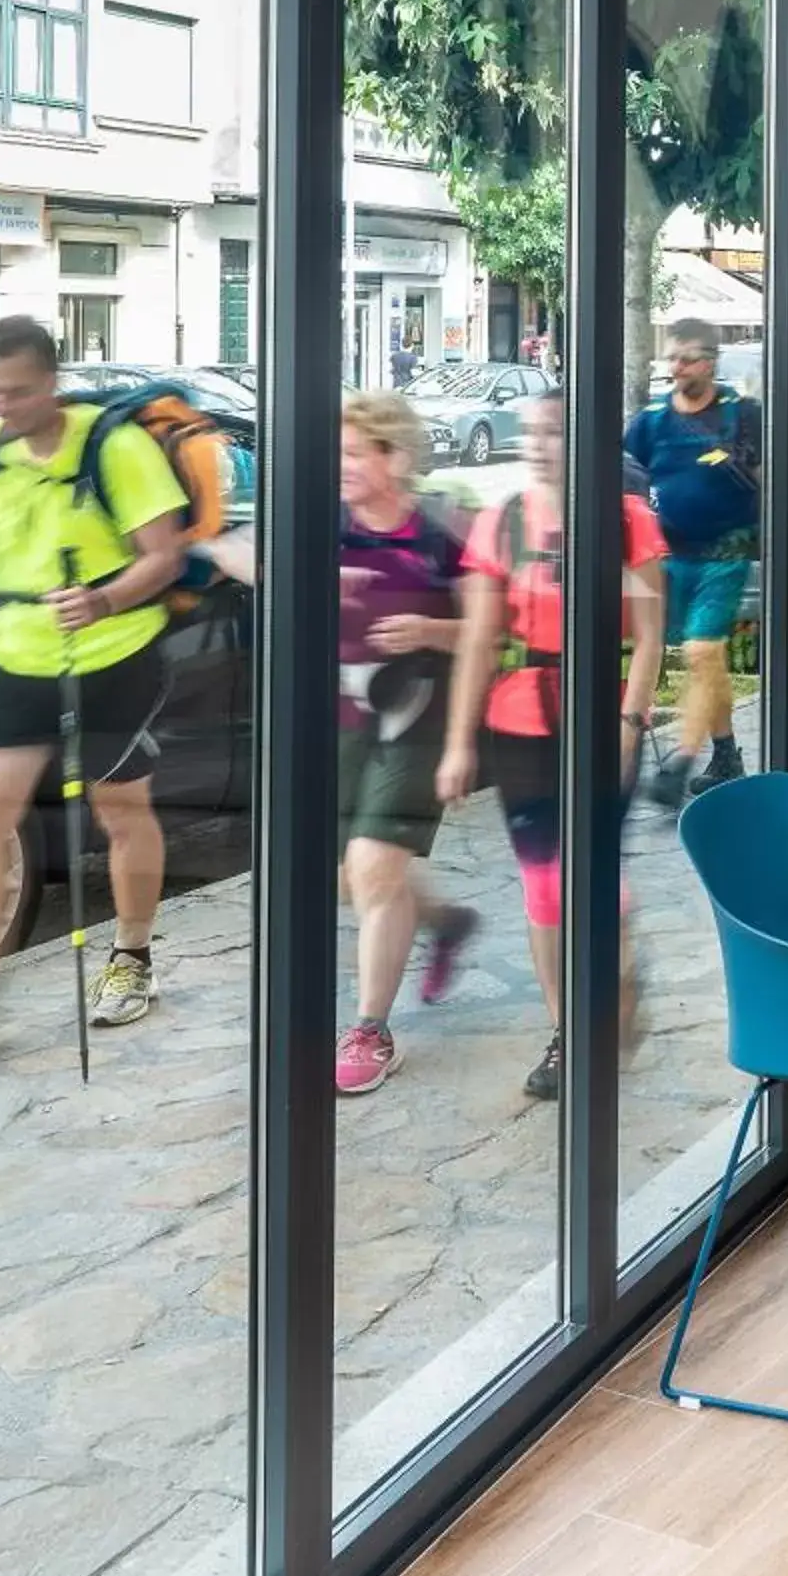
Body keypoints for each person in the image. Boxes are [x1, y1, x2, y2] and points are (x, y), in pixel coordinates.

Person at [0, 316, 187, 1059]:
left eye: (18, 392)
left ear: (51, 382)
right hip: (21, 656)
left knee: (119, 808)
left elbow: (165, 556)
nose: (5, 405)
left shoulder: (113, 447)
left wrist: (104, 599)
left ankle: (132, 958)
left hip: (111, 651)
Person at [211, 394, 479, 1090]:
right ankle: (445, 921)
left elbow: (488, 635)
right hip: (336, 717)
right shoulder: (320, 525)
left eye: (355, 453)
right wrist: (308, 577)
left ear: (394, 457)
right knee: (348, 876)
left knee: (372, 868)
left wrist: (428, 630)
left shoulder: (437, 536)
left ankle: (370, 1031)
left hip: (416, 716)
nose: (341, 467)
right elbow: (230, 548)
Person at [438, 389, 664, 1101]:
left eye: (555, 431)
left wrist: (631, 721)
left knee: (590, 874)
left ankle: (617, 979)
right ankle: (570, 1033)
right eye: (532, 431)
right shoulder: (501, 522)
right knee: (543, 884)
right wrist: (456, 743)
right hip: (521, 723)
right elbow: (479, 637)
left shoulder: (628, 520)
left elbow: (653, 631)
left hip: (601, 717)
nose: (539, 443)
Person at [623, 317, 757, 804]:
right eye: (672, 358)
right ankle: (726, 755)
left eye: (687, 358)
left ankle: (681, 761)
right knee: (694, 659)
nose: (676, 367)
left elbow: (769, 477)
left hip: (726, 550)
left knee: (701, 652)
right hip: (667, 554)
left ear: (711, 362)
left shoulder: (743, 415)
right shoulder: (650, 422)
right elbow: (621, 475)